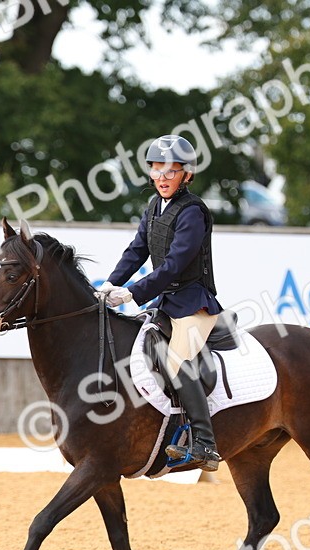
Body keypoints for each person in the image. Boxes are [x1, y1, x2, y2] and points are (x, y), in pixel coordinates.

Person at [96, 134, 223, 472]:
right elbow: (137, 250)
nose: (163, 177)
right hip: (167, 302)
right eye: (157, 169)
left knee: (177, 359)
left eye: (172, 170)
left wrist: (133, 293)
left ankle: (205, 445)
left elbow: (174, 265)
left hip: (194, 303)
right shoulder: (153, 207)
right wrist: (112, 282)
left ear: (187, 174)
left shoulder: (193, 211)